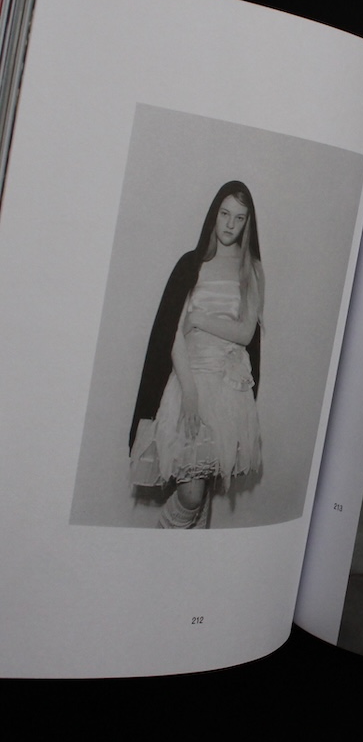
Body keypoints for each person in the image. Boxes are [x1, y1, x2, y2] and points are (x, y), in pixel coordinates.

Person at [129, 180, 264, 528]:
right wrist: (189, 391)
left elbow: (246, 333)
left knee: (201, 491)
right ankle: (160, 546)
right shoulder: (193, 263)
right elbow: (173, 332)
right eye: (225, 214)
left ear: (248, 223)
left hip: (228, 387)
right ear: (213, 214)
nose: (230, 224)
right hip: (190, 379)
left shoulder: (251, 269)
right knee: (191, 492)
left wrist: (200, 319)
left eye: (239, 217)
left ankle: (185, 558)